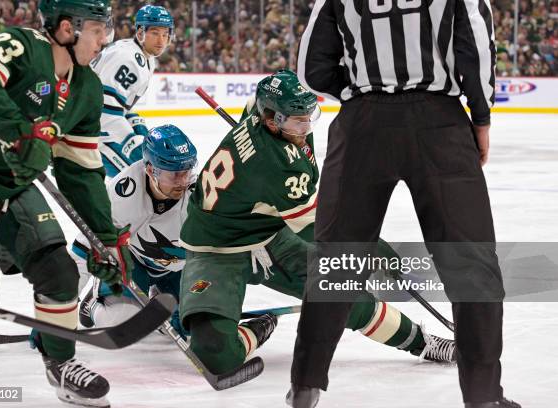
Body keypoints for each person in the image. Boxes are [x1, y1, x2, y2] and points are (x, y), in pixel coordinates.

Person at [291, 0, 519, 407]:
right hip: (440, 125)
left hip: (361, 127)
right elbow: (477, 50)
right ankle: (484, 398)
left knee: (337, 262)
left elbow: (311, 67)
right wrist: (481, 118)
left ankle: (305, 386)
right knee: (471, 263)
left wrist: (357, 96)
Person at [178, 70, 455, 379]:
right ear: (271, 119)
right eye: (298, 120)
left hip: (270, 234)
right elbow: (320, 228)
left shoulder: (262, 113)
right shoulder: (280, 166)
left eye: (309, 115)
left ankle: (423, 342)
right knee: (215, 355)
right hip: (216, 247)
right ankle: (258, 328)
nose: (306, 125)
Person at [0, 1, 133, 407]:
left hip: (10, 185)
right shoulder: (21, 45)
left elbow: (81, 171)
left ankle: (62, 367)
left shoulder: (87, 89)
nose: (106, 40)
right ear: (67, 28)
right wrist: (19, 133)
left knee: (59, 272)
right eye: (98, 30)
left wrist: (105, 237)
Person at [72, 124, 196, 337]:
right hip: (133, 263)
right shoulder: (124, 194)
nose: (182, 182)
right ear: (150, 170)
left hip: (178, 269)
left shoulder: (200, 191)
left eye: (186, 172)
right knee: (124, 323)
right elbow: (84, 249)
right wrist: (58, 309)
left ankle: (160, 300)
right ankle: (92, 305)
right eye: (174, 175)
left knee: (187, 327)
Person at [91, 5, 173, 177]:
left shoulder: (142, 56)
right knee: (144, 174)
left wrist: (137, 124)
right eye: (155, 33)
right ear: (141, 33)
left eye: (165, 34)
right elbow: (104, 110)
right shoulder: (129, 59)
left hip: (90, 121)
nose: (161, 41)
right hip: (86, 129)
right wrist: (131, 141)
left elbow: (119, 104)